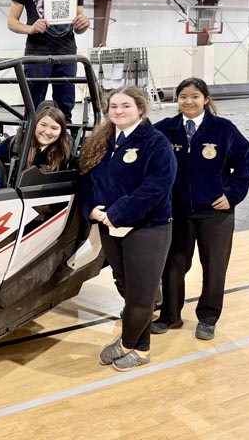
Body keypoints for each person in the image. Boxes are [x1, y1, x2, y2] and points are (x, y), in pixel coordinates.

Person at [79, 86, 176, 372]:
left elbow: (157, 187)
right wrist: (92, 209)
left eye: (126, 106)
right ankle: (141, 347)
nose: (118, 111)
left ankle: (127, 344)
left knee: (141, 294)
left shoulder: (156, 143)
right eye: (114, 107)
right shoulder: (102, 141)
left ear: (140, 109)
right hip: (110, 228)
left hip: (147, 228)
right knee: (126, 287)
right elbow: (86, 181)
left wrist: (118, 213)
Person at [152, 77, 249, 341]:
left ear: (206, 99)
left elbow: (245, 161)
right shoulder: (165, 129)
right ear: (177, 100)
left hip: (215, 213)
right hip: (178, 212)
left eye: (195, 96)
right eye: (183, 96)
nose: (189, 101)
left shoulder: (223, 129)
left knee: (214, 266)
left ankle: (208, 318)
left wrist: (233, 194)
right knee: (174, 265)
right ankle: (170, 316)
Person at [7, 0, 90, 123]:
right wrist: (30, 28)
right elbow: (11, 21)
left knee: (65, 106)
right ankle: (30, 148)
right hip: (37, 51)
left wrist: (83, 24)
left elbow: (78, 25)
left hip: (67, 51)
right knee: (33, 106)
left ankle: (64, 148)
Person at [0, 105, 71, 172]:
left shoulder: (63, 152)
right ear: (35, 125)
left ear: (61, 131)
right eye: (43, 125)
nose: (47, 132)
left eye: (54, 128)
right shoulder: (13, 143)